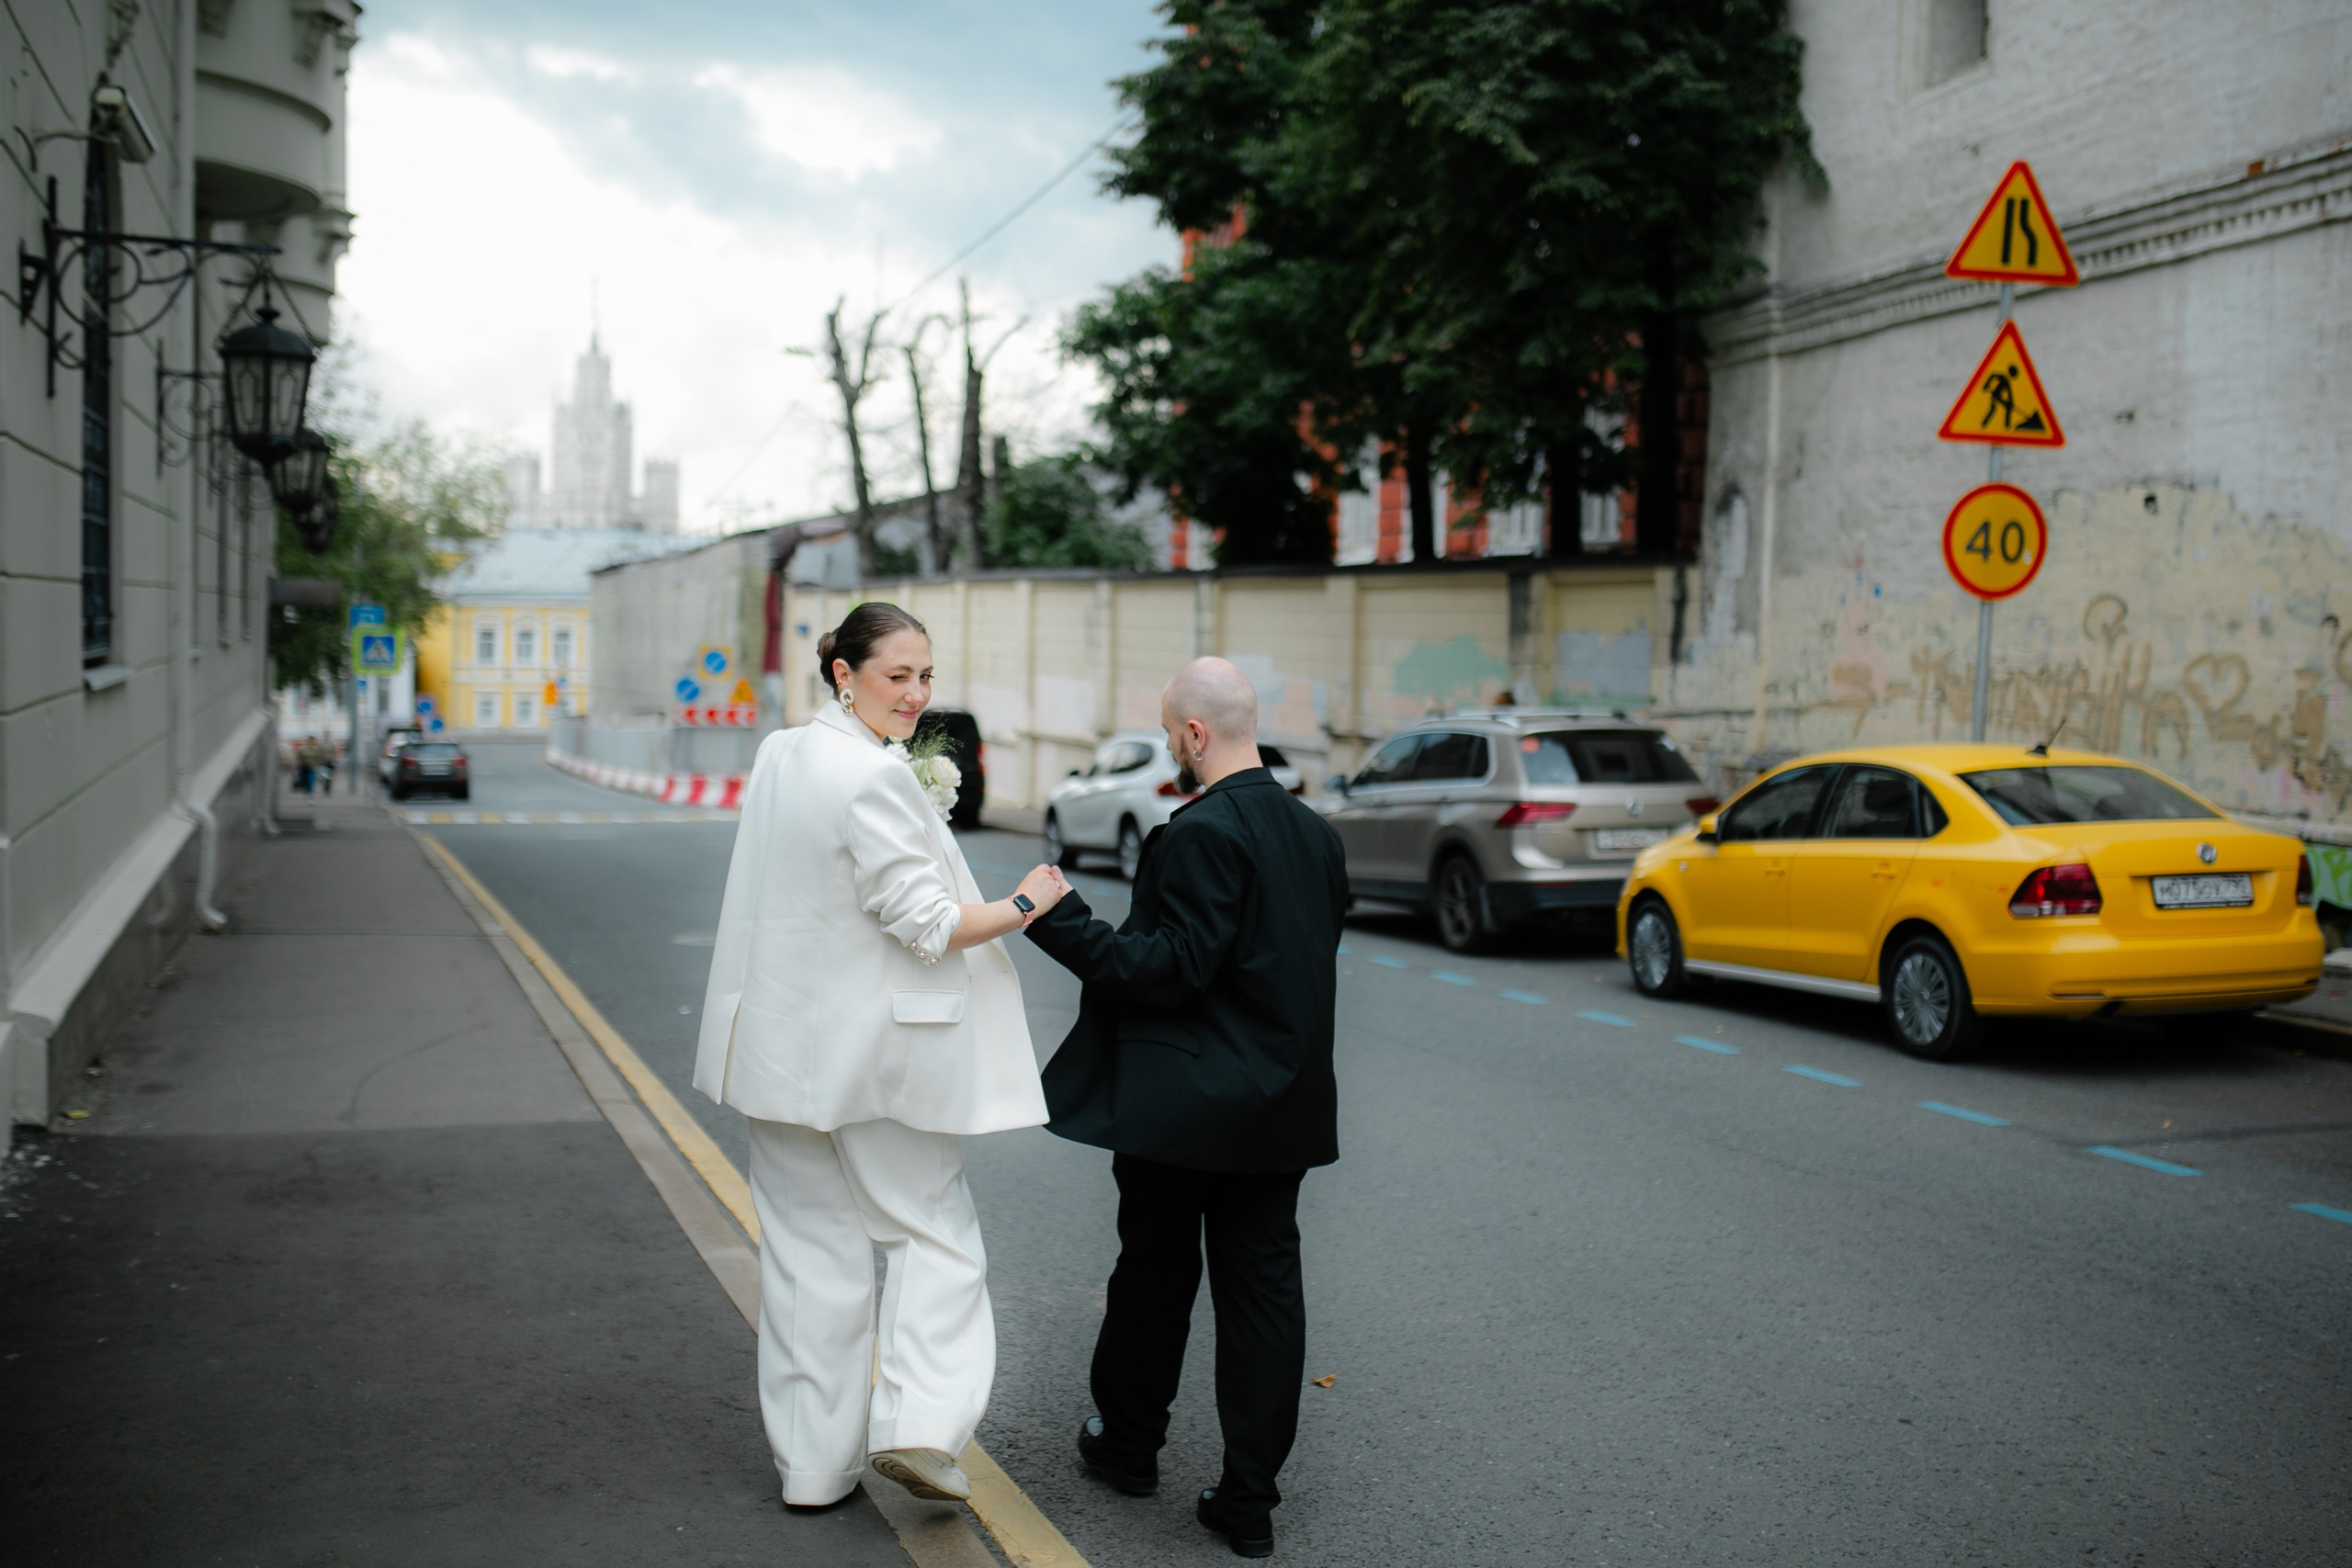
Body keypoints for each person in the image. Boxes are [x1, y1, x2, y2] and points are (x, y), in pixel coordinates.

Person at [694, 602, 1064, 1510]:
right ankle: (919, 1429)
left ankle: (813, 1471)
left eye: (925, 676)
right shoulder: (872, 779)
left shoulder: (783, 755)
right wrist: (1026, 902)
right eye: (897, 675)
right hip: (875, 1060)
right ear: (842, 673)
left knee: (806, 1260)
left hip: (775, 1052)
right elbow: (933, 927)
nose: (915, 693)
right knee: (933, 1237)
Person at [1023, 657, 1349, 1559]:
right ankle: (1247, 1500)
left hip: (1185, 1111)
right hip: (1281, 1106)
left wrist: (1056, 915)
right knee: (1264, 1297)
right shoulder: (1316, 837)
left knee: (1155, 1278)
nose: (1170, 746)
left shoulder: (1198, 832)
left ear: (1196, 734)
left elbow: (1164, 969)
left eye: (1171, 732)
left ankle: (1128, 1447)